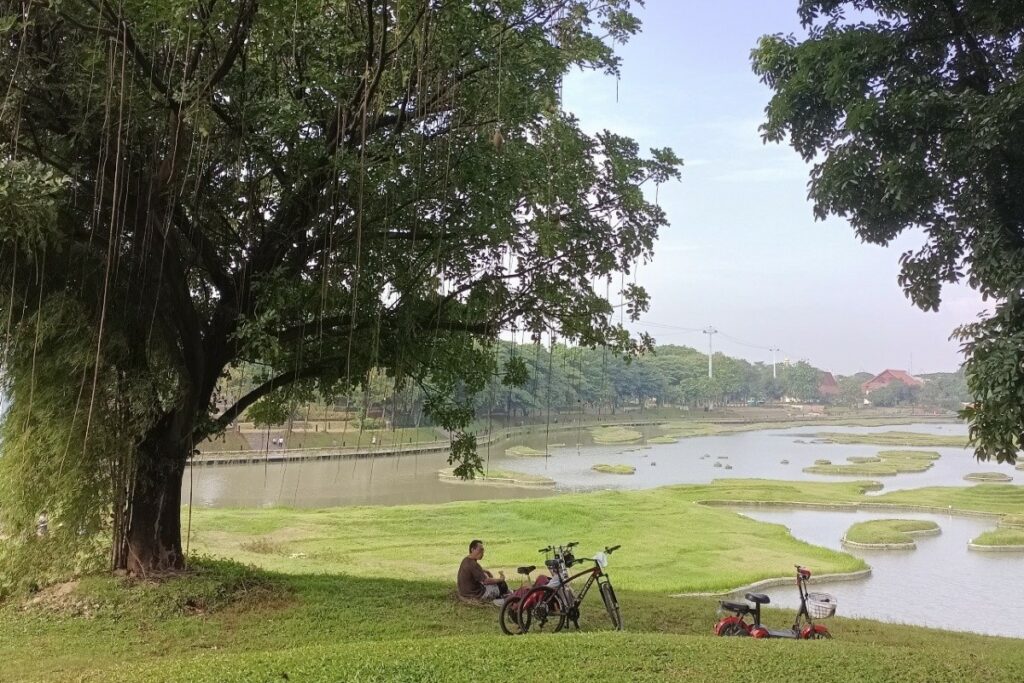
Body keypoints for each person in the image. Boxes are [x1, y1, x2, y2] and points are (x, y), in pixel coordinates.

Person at [457, 539, 509, 605]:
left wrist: (486, 571)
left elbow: (477, 572)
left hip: (465, 592)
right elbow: (486, 581)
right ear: (472, 549)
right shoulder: (474, 564)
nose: (482, 553)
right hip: (476, 595)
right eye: (480, 550)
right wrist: (500, 579)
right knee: (502, 585)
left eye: (483, 550)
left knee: (496, 583)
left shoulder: (466, 560)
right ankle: (504, 598)